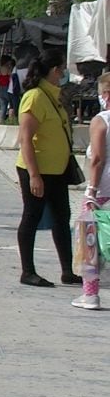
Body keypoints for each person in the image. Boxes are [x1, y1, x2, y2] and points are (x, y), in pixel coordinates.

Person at [15, 48, 83, 288]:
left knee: (62, 218)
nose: (63, 73)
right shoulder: (34, 97)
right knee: (32, 217)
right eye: (62, 68)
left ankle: (67, 270)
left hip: (58, 169)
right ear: (55, 70)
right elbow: (25, 139)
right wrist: (34, 175)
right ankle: (28, 271)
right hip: (37, 170)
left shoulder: (53, 95)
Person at [77, 73, 110, 310]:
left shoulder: (102, 120)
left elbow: (97, 159)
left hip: (102, 190)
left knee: (90, 242)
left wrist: (91, 190)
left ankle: (90, 295)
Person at [0, 56, 16, 122]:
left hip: (0, 88)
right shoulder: (8, 69)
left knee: (3, 106)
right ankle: (11, 120)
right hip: (7, 88)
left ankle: (1, 119)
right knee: (12, 105)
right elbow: (11, 78)